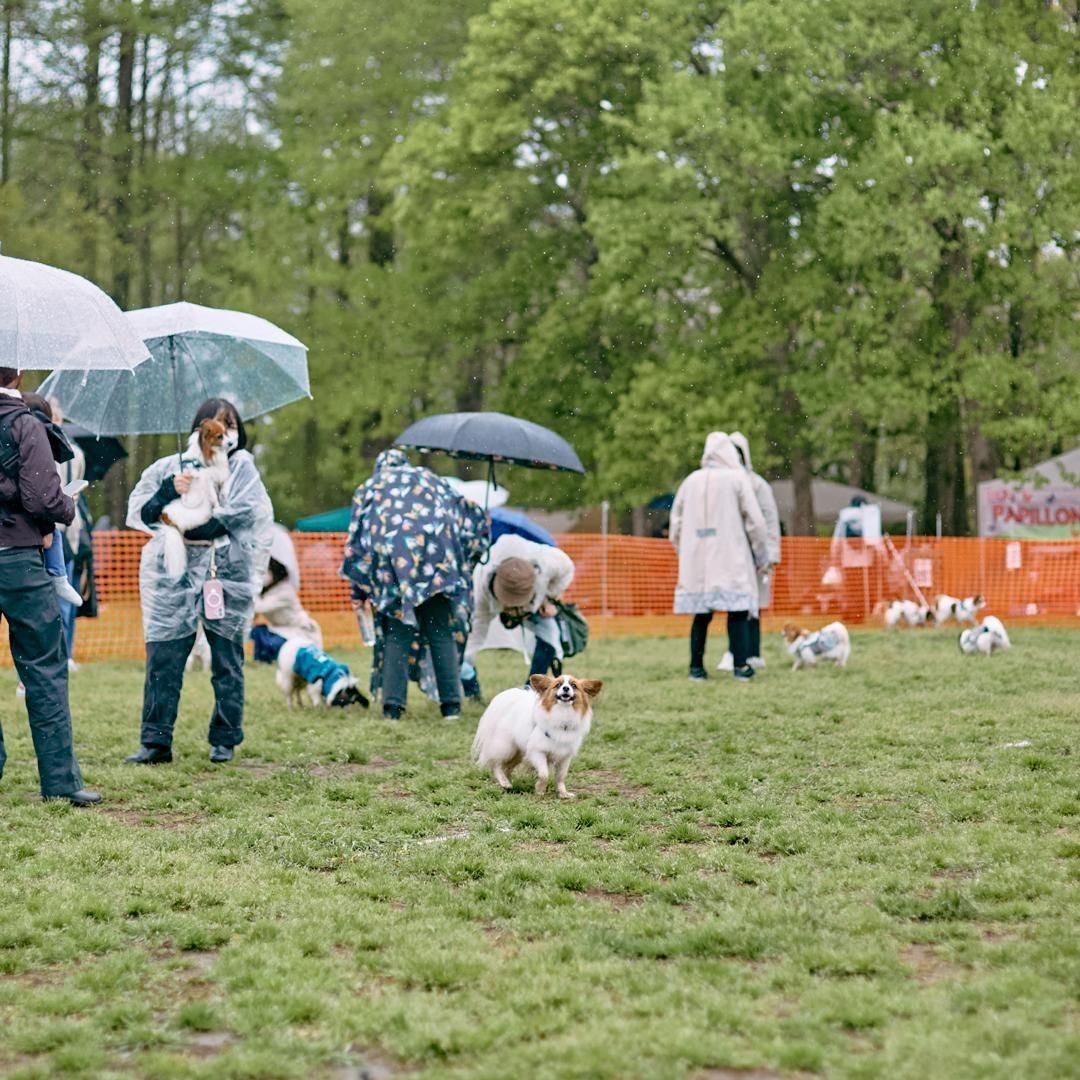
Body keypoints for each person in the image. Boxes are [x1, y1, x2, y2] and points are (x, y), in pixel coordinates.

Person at [124, 398, 273, 765]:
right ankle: (155, 741)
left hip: (225, 575)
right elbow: (145, 513)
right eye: (218, 425)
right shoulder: (171, 467)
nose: (226, 434)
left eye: (231, 425)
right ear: (200, 428)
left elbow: (238, 517)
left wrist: (190, 524)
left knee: (226, 661)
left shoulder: (242, 470)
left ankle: (225, 737)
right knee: (164, 658)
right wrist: (169, 492)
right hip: (173, 577)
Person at [0, 367, 100, 805]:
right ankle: (60, 781)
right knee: (43, 666)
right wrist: (66, 506)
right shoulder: (25, 424)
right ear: (19, 374)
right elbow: (42, 497)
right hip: (18, 560)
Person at [342, 448, 489, 721]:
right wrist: (472, 554)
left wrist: (358, 591)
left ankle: (393, 708)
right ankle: (451, 706)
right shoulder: (429, 480)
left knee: (397, 634)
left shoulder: (371, 487)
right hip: (437, 567)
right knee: (440, 632)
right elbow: (465, 514)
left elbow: (360, 543)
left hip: (393, 572)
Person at [670, 431, 769, 682]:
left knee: (701, 615)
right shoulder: (737, 479)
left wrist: (684, 552)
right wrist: (761, 554)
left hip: (696, 560)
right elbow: (756, 521)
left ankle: (696, 667)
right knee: (738, 612)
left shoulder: (690, 481)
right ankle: (741, 666)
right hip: (731, 556)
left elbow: (676, 525)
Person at [464, 533, 575, 696]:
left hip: (537, 600)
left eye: (518, 603)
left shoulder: (548, 563)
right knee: (466, 651)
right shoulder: (481, 592)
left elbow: (567, 569)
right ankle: (472, 692)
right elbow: (476, 633)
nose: (515, 608)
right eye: (510, 604)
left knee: (551, 637)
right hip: (491, 599)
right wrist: (466, 661)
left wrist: (549, 597)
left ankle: (532, 690)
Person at [249, 555, 366, 707]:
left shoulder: (284, 591)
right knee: (258, 632)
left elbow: (259, 607)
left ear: (274, 573)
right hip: (284, 631)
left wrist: (250, 590)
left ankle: (322, 696)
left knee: (306, 670)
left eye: (265, 572)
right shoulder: (268, 593)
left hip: (301, 632)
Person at [715, 432, 781, 672]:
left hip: (755, 554)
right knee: (736, 606)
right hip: (732, 554)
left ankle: (752, 653)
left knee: (753, 607)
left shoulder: (758, 485)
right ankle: (736, 652)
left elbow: (769, 520)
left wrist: (770, 555)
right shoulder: (722, 484)